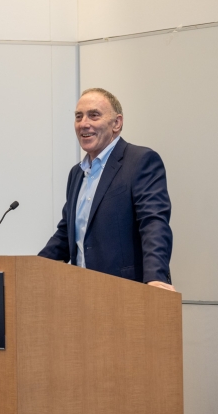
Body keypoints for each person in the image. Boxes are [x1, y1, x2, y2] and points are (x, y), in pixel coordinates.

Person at [39, 88, 175, 291]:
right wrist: (32, 268)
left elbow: (153, 223)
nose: (84, 123)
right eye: (79, 116)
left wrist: (156, 278)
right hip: (83, 292)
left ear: (117, 123)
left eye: (94, 115)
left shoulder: (140, 161)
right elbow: (66, 234)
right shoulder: (77, 173)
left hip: (128, 292)